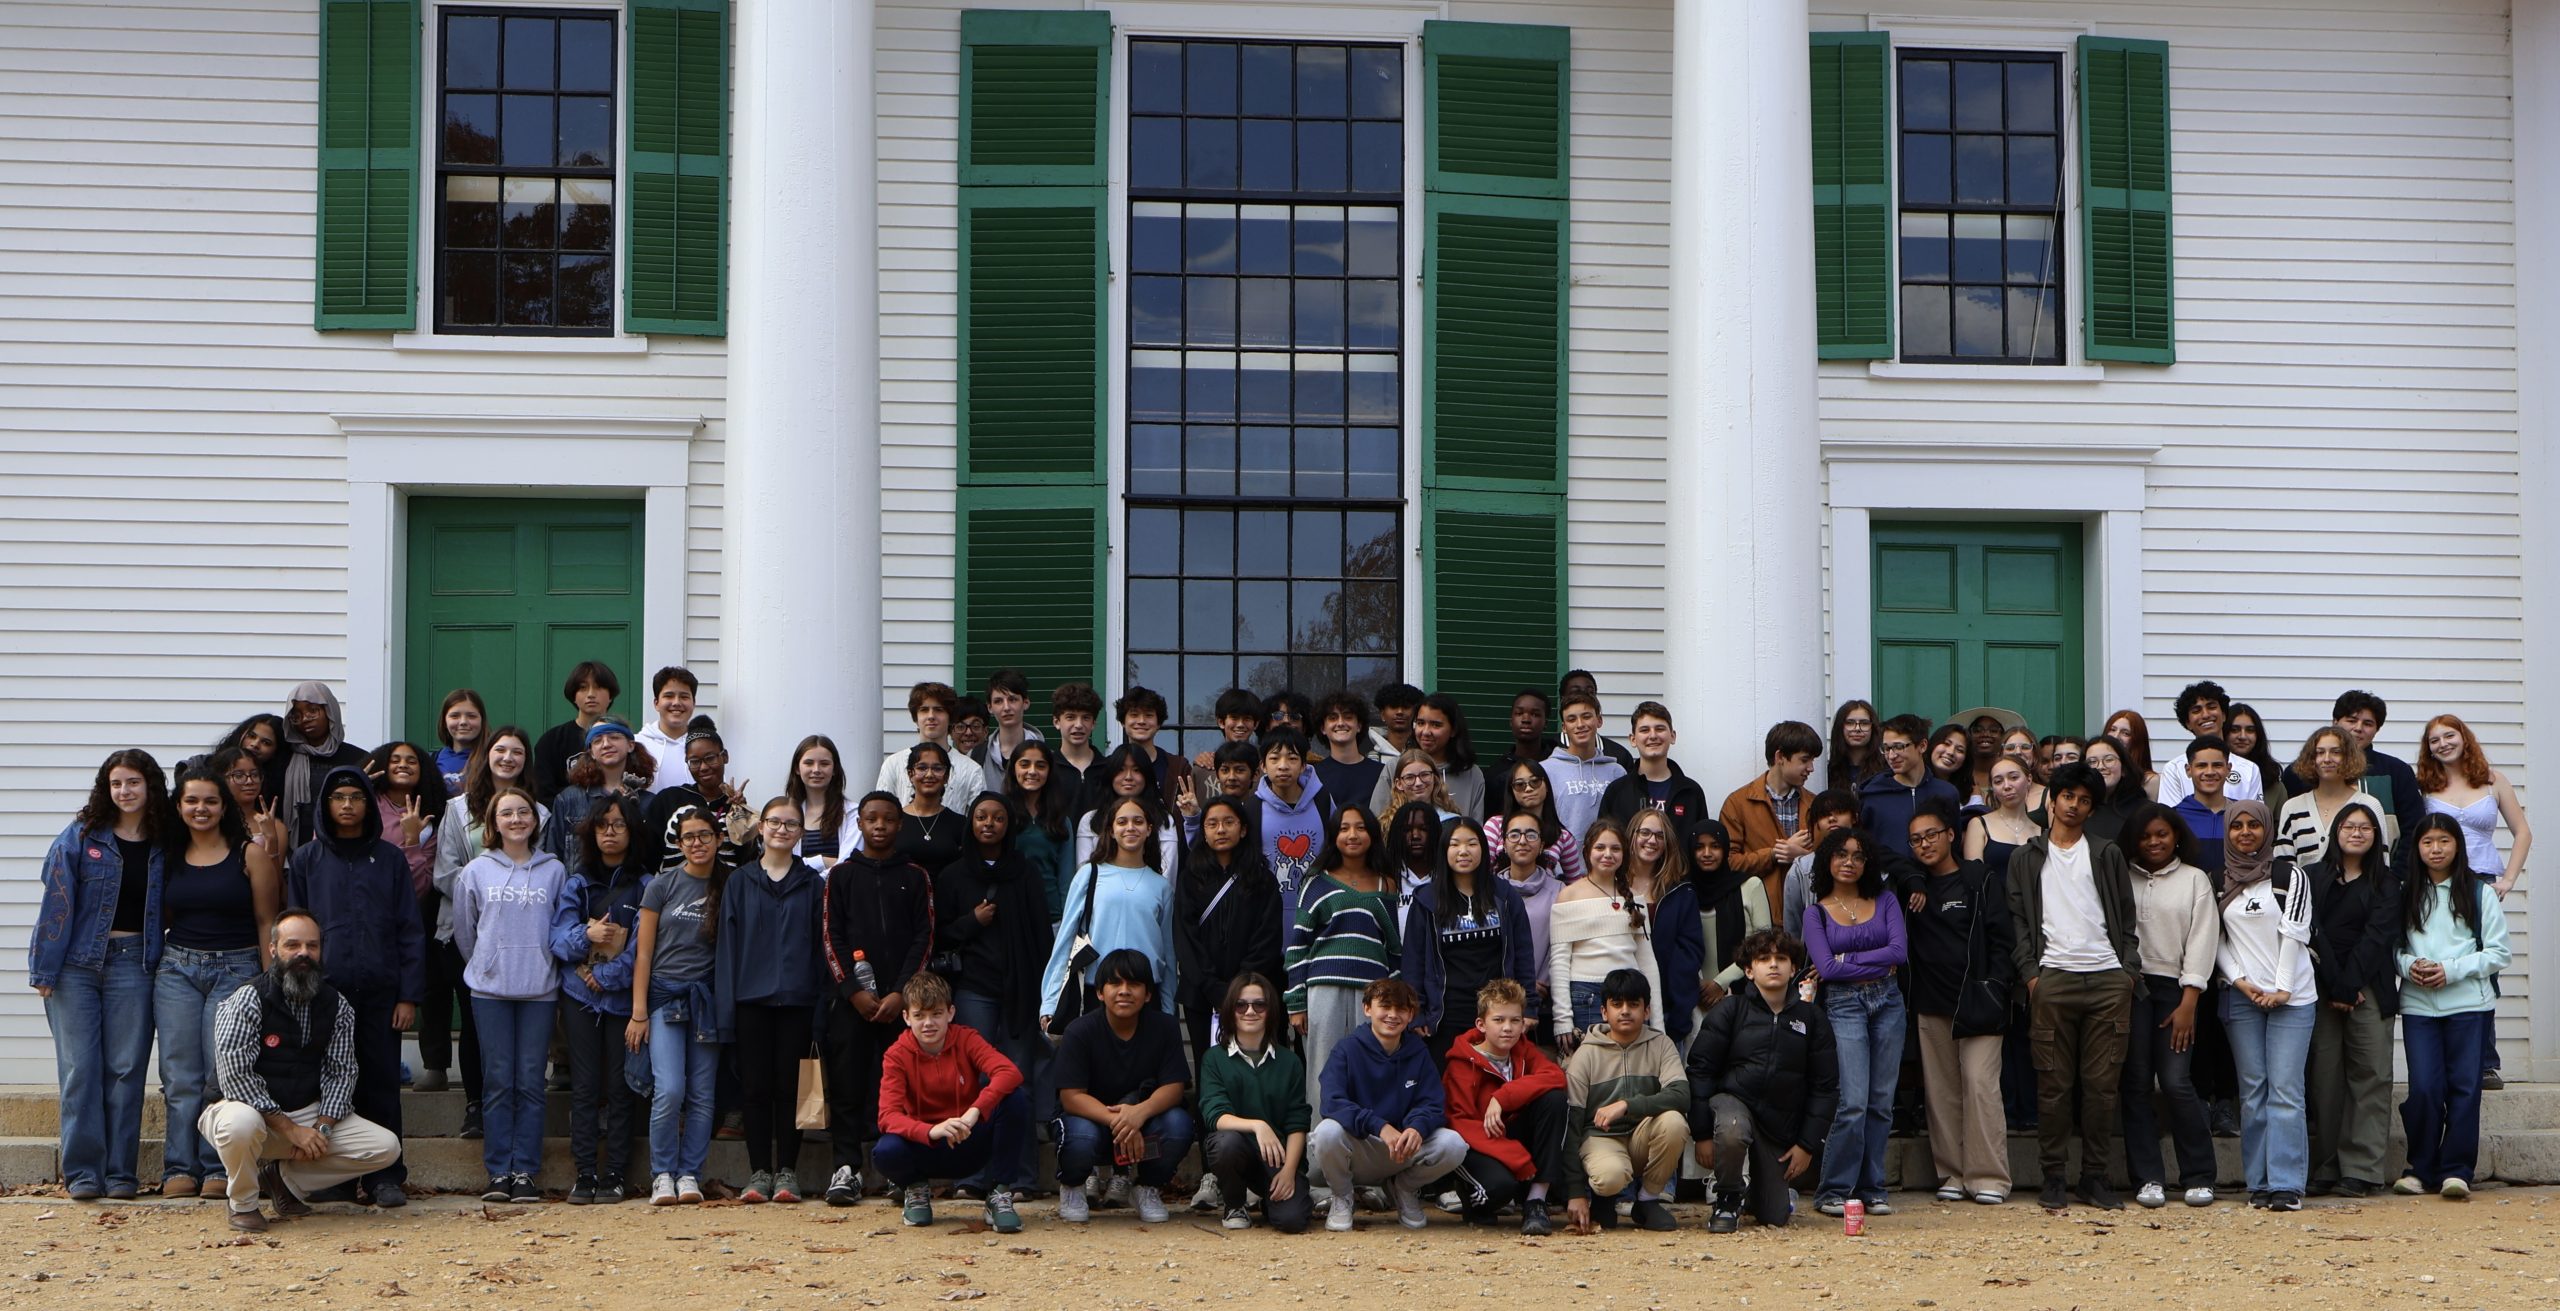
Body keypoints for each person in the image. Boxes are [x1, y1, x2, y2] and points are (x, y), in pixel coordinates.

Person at [197, 910, 404, 1232]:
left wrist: (321, 1127)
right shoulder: (246, 999)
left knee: (384, 1146)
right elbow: (236, 1077)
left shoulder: (338, 1006)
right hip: (240, 1110)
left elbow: (342, 1072)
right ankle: (243, 1204)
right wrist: (291, 1130)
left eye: (312, 945)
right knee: (241, 1123)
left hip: (304, 1114)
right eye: (292, 945)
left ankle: (283, 1181)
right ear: (273, 950)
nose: (303, 953)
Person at [33, 750, 169, 1201]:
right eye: (116, 784)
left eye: (133, 782)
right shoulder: (80, 837)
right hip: (75, 966)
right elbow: (56, 902)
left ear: (149, 786)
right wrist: (45, 969)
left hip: (135, 963)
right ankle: (84, 1172)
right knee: (79, 1070)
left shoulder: (165, 842)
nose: (124, 791)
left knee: (126, 1070)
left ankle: (120, 1173)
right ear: (105, 789)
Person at [285, 767, 423, 1207]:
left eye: (356, 797)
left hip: (381, 993)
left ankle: (385, 1177)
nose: (347, 805)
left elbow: (409, 929)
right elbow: (295, 928)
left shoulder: (390, 858)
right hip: (324, 995)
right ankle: (337, 1175)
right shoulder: (307, 859)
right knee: (331, 1086)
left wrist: (407, 994)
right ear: (326, 804)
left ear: (368, 804)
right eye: (338, 797)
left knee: (381, 1082)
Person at [2004, 762, 2138, 1211]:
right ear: (2052, 800)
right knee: (2053, 1086)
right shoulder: (2027, 856)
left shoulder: (2106, 852)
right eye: (2068, 797)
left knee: (2102, 1087)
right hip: (2052, 978)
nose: (2075, 805)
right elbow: (2018, 920)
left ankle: (2096, 1177)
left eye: (2084, 800)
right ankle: (2054, 1176)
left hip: (2106, 978)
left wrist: (2126, 971)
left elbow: (2126, 914)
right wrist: (2031, 974)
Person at [154, 764, 283, 1200]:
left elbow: (268, 921)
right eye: (191, 800)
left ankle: (216, 1167)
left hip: (237, 968)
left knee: (221, 1072)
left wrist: (269, 983)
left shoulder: (249, 853)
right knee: (178, 1073)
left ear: (223, 806)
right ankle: (178, 1167)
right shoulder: (168, 856)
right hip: (177, 970)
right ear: (179, 806)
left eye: (210, 800)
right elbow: (165, 917)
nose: (201, 808)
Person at [935, 792, 1055, 1198]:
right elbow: (940, 935)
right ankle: (971, 1175)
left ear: (1010, 825)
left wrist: (1044, 994)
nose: (989, 824)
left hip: (1021, 991)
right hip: (973, 990)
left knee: (1014, 1083)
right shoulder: (953, 875)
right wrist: (973, 921)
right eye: (982, 816)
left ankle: (1019, 1178)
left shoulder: (1024, 872)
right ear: (971, 822)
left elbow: (1041, 935)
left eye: (999, 818)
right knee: (973, 1082)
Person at [451, 785, 568, 1205]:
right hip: (491, 991)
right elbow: (466, 931)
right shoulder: (476, 871)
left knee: (532, 1082)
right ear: (493, 823)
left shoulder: (554, 870)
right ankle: (499, 1171)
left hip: (539, 990)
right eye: (507, 814)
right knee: (499, 1080)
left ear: (535, 821)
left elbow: (560, 925)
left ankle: (526, 1172)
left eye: (524, 812)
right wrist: (486, 962)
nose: (516, 819)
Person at [820, 793, 937, 1206]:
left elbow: (924, 936)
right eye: (872, 819)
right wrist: (852, 992)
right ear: (861, 823)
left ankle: (897, 1169)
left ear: (900, 825)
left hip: (900, 1005)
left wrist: (901, 993)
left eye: (889, 819)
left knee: (900, 1085)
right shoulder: (842, 876)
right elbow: (831, 938)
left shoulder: (915, 875)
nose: (880, 826)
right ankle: (847, 1167)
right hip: (853, 1003)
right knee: (848, 1082)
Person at [425, 726, 544, 1120]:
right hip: (466, 931)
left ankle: (516, 1108)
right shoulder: (457, 810)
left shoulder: (539, 812)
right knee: (476, 1024)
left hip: (524, 936)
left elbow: (544, 872)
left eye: (517, 751)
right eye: (500, 750)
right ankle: (476, 1104)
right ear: (486, 755)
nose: (508, 757)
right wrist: (486, 887)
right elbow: (444, 872)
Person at [718, 796, 829, 1204]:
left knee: (792, 1089)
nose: (782, 830)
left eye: (791, 824)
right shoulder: (740, 881)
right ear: (760, 828)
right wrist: (726, 1012)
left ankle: (788, 1172)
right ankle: (759, 1171)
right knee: (755, 1089)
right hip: (750, 1001)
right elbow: (727, 949)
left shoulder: (813, 884)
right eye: (775, 822)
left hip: (799, 1002)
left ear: (801, 832)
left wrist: (820, 1005)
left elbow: (821, 949)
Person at [2392, 814, 2508, 1201]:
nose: (2436, 849)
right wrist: (2410, 966)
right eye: (2428, 842)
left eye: (2444, 841)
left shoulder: (2479, 892)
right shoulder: (2406, 891)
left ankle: (2457, 1169)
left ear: (2457, 845)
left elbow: (2497, 952)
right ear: (2417, 848)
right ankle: (2419, 1168)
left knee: (2464, 1088)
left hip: (2469, 1005)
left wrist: (2451, 970)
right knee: (2424, 1087)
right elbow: (2393, 949)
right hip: (2419, 1005)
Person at [1688, 929, 1836, 1233]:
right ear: (1748, 970)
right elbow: (1700, 1069)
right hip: (1732, 1103)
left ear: (1793, 968)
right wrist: (1702, 1132)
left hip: (1778, 1124)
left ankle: (1754, 1197)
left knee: (1774, 1216)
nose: (1773, 965)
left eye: (1781, 958)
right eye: (1763, 958)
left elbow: (1825, 1086)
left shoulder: (1812, 1019)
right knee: (1732, 1129)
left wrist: (1807, 1144)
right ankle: (1728, 1198)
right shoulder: (1731, 1009)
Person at [1904, 800, 2013, 1206]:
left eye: (1932, 834)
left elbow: (2002, 935)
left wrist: (1997, 984)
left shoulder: (1978, 878)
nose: (1925, 844)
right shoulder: (1912, 886)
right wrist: (1911, 877)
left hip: (1979, 1000)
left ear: (1952, 834)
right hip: (1932, 1004)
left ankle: (1988, 1177)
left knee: (1981, 1087)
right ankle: (1952, 1172)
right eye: (1916, 839)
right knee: (1942, 1093)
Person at [2116, 802, 2220, 1208]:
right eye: (2145, 836)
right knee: (2137, 1083)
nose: (2154, 842)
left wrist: (2190, 999)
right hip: (2131, 989)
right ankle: (2148, 1179)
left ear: (2176, 835)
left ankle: (2199, 1175)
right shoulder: (2120, 876)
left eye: (2161, 834)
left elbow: (2203, 938)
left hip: (2177, 991)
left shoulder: (2195, 880)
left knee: (2176, 1082)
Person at [2417, 713, 2530, 1088]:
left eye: (2450, 735)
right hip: (2438, 882)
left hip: (2481, 881)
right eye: (2435, 740)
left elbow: (2523, 833)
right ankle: (2450, 1060)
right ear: (2428, 747)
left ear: (2464, 738)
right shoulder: (2425, 786)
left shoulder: (2494, 781)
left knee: (2484, 968)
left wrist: (2508, 879)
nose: (2443, 744)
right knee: (2447, 962)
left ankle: (2484, 1061)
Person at [550, 793, 651, 1204]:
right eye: (602, 825)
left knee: (621, 1086)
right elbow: (558, 940)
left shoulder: (645, 884)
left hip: (623, 1003)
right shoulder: (577, 882)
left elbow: (645, 947)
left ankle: (615, 1173)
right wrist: (586, 938)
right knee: (585, 1087)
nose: (610, 833)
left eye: (619, 825)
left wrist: (605, 976)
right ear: (591, 832)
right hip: (578, 999)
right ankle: (585, 1172)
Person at [1801, 827, 1906, 1216]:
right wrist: (1846, 964)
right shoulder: (1816, 912)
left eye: (1858, 856)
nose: (1850, 862)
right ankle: (1834, 1190)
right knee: (1853, 1103)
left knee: (1881, 1103)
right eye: (1841, 854)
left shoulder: (1887, 900)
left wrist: (1845, 962)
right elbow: (1823, 967)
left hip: (1889, 1000)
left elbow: (1900, 951)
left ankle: (1872, 1187)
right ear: (1827, 860)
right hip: (1844, 1005)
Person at [627, 806, 729, 1205]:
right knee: (669, 1089)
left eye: (705, 835)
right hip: (664, 998)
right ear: (678, 842)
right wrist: (638, 1012)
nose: (697, 843)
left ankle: (690, 1174)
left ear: (719, 839)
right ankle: (663, 1174)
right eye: (689, 837)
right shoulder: (661, 886)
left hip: (708, 1000)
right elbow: (643, 955)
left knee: (702, 1093)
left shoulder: (730, 884)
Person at [2218, 796, 2315, 1212]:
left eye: (2253, 825)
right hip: (2243, 1000)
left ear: (2267, 829)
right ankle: (2258, 1183)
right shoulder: (2217, 879)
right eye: (2236, 826)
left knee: (2286, 1090)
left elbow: (2295, 933)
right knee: (2252, 1091)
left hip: (2293, 998)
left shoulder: (2288, 875)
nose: (2245, 833)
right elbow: (2218, 940)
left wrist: (2281, 988)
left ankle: (2287, 1184)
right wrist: (2241, 983)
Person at [874, 970, 1028, 1231]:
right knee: (885, 1151)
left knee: (1014, 1097)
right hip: (926, 1146)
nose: (928, 1023)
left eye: (936, 1014)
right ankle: (916, 1190)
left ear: (950, 1013)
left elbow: (1009, 1072)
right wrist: (931, 1130)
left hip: (968, 1138)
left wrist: (975, 1111)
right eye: (919, 1015)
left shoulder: (966, 1038)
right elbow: (887, 1116)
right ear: (906, 1018)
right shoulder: (896, 1055)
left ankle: (1000, 1193)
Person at [1309, 977, 1468, 1231]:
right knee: (1326, 1132)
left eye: (1401, 1009)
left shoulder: (1418, 1052)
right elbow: (1333, 1102)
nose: (1393, 1015)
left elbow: (1432, 1102)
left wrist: (1416, 1128)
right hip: (1361, 1147)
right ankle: (1342, 1196)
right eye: (1385, 1006)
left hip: (1403, 1149)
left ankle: (1404, 1189)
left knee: (1454, 1144)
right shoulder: (1346, 1049)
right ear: (1368, 1009)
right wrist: (1380, 1126)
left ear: (1411, 1014)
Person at [1050, 949, 1197, 1223]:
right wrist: (1122, 1120)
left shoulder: (1164, 1028)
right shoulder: (1079, 1031)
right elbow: (1071, 1097)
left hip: (1143, 1127)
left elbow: (1175, 1087)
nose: (1124, 991)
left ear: (1148, 994)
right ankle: (1073, 1186)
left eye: (1134, 984)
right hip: (1091, 1124)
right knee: (1080, 1136)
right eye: (1115, 983)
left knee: (1178, 1125)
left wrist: (1139, 1113)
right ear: (1100, 992)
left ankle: (1146, 1187)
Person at [2307, 803, 2398, 1198]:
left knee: (2370, 1077)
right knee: (2325, 1079)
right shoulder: (2312, 877)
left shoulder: (2389, 882)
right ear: (2335, 831)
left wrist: (2351, 984)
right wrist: (2336, 983)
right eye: (2349, 825)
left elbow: (2379, 936)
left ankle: (2361, 1169)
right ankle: (2327, 1165)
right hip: (2322, 989)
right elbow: (2311, 930)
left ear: (2377, 836)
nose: (2357, 833)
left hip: (2370, 989)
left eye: (2365, 827)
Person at [1285, 805, 1403, 1104]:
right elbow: (1298, 946)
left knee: (1371, 1070)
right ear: (1333, 836)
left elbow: (1394, 949)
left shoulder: (1386, 883)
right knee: (1323, 1074)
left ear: (1373, 835)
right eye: (1344, 828)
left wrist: (1396, 998)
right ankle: (1319, 1149)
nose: (1353, 835)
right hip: (1324, 991)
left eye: (1361, 827)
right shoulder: (1315, 881)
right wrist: (1296, 1003)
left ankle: (1369, 1148)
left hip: (1374, 994)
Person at [1558, 969, 1689, 1232]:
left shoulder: (1661, 1045)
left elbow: (1681, 1095)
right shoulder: (1586, 1054)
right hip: (1601, 1138)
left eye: (1633, 1004)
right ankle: (1604, 1198)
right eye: (1617, 1005)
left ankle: (1648, 1201)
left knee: (1674, 1122)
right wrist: (1575, 1192)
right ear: (1604, 1012)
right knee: (1610, 1177)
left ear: (1647, 1011)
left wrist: (1628, 1105)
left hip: (1642, 1135)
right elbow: (1571, 1127)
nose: (1625, 1011)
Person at [1407, 821, 1539, 1065]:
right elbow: (1414, 961)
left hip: (1496, 1013)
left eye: (1472, 843)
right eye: (1455, 844)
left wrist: (1528, 1006)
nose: (1463, 851)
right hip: (1445, 1014)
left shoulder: (1504, 895)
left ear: (1484, 849)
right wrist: (1417, 1013)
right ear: (1443, 850)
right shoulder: (1426, 900)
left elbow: (1522, 953)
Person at [1044, 795, 1179, 1032]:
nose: (1130, 827)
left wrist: (1168, 1008)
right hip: (1097, 990)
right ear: (1111, 830)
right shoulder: (1088, 874)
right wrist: (1050, 1002)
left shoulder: (1161, 886)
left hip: (1147, 992)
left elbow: (1168, 953)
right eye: (1122, 821)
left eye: (1138, 821)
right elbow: (1065, 941)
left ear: (1149, 830)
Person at [1172, 794, 1285, 1066]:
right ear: (1204, 832)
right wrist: (1212, 986)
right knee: (1207, 1065)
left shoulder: (1262, 879)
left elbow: (1268, 937)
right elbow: (1185, 937)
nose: (1220, 829)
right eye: (1212, 824)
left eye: (1228, 822)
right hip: (1201, 994)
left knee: (1257, 1065)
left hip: (1253, 993)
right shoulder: (1190, 878)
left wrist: (1239, 987)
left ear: (1243, 829)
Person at [1198, 972, 1315, 1233]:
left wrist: (1289, 1171)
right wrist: (1258, 1125)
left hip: (1279, 1158)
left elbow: (1298, 1121)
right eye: (1241, 1005)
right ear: (1230, 1010)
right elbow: (1214, 1115)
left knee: (1292, 1221)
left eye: (1259, 1004)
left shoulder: (1289, 1062)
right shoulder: (1214, 1059)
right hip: (1238, 1151)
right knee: (1224, 1142)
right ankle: (1234, 1203)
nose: (1250, 1011)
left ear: (1270, 1010)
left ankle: (1269, 1201)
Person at [1548, 819, 1664, 1045]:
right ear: (1587, 851)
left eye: (1615, 848)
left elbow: (1647, 962)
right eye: (1600, 847)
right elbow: (1560, 961)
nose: (1607, 854)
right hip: (1587, 997)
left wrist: (1657, 1023)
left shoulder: (1634, 898)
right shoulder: (1568, 895)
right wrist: (1562, 1020)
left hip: (1632, 993)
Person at [2295, 691, 2426, 857]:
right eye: (2351, 720)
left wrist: (2395, 877)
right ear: (2335, 722)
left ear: (2377, 729)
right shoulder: (2302, 771)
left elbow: (2413, 829)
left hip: (2380, 876)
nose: (2358, 728)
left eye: (2368, 723)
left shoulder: (2397, 771)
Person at [1720, 721, 1822, 909]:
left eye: (1812, 761)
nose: (1811, 768)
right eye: (1805, 760)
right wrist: (1774, 854)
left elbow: (1835, 857)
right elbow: (1727, 863)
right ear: (1780, 757)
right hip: (1759, 915)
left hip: (1808, 914)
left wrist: (1802, 856)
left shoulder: (1816, 805)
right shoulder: (1738, 803)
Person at [1627, 809, 1705, 1048]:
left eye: (1660, 836)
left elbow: (1690, 954)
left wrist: (1680, 1007)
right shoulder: (1612, 887)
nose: (1652, 841)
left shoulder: (1681, 893)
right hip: (1621, 1006)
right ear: (1631, 836)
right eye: (1645, 833)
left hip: (1669, 1010)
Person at [1683, 818, 1771, 1031]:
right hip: (1692, 1000)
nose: (1707, 853)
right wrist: (1700, 987)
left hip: (1743, 997)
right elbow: (1677, 946)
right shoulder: (1682, 890)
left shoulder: (1750, 885)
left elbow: (1763, 945)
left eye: (1715, 846)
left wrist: (1720, 983)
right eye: (1699, 847)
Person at [646, 719, 756, 871]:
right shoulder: (669, 800)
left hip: (725, 892)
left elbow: (749, 861)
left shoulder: (735, 807)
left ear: (725, 757)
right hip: (676, 892)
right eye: (695, 761)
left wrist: (741, 814)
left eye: (710, 758)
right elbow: (648, 854)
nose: (703, 767)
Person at [542, 719, 659, 861]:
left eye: (614, 737)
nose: (606, 744)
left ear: (630, 745)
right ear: (591, 752)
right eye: (597, 740)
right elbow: (554, 856)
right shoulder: (568, 799)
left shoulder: (649, 802)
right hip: (580, 883)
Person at [1366, 693, 1486, 823]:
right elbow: (1376, 824)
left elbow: (1475, 829)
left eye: (1436, 725)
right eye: (1421, 723)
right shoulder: (1395, 767)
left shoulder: (1472, 774)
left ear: (1453, 730)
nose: (1425, 732)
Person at [364, 742, 445, 935]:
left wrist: (412, 840)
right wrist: (357, 786)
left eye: (411, 761)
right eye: (395, 760)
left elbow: (418, 889)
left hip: (398, 921)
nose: (403, 765)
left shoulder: (429, 821)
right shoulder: (364, 804)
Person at [279, 682, 371, 845]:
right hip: (296, 850)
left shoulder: (358, 758)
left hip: (346, 847)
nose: (305, 719)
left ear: (330, 711)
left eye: (312, 711)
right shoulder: (284, 758)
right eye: (296, 715)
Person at [1596, 701, 1713, 829]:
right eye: (1644, 730)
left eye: (1660, 729)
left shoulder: (1691, 792)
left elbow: (1700, 844)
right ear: (1633, 739)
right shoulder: (1617, 792)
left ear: (1672, 736)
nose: (1653, 736)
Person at [2276, 726, 2380, 868]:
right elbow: (2283, 866)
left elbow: (2380, 863)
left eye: (2336, 752)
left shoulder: (2370, 804)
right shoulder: (2292, 807)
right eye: (2319, 753)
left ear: (2349, 757)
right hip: (2302, 890)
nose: (2327, 759)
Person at [1862, 715, 1962, 861]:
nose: (1891, 755)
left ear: (1922, 746)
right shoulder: (1872, 796)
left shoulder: (1947, 793)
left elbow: (1954, 846)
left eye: (1898, 747)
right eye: (1886, 748)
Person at [874, 681, 989, 809]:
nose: (931, 716)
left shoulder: (971, 770)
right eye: (924, 710)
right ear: (915, 718)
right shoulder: (893, 764)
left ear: (950, 717)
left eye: (939, 710)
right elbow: (882, 811)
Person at [1495, 811, 1565, 1017]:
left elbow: (1560, 947)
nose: (1522, 841)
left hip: (1544, 997)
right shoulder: (1489, 891)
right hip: (1498, 998)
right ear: (1505, 844)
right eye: (1514, 835)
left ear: (1542, 844)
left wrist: (1537, 983)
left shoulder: (1560, 891)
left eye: (1531, 834)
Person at [1252, 728, 1329, 913]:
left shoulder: (1322, 801)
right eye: (1274, 758)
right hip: (1267, 916)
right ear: (1263, 765)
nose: (1283, 766)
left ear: (1303, 765)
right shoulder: (1253, 808)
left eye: (1292, 758)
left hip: (1319, 913)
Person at [1072, 746, 1183, 873]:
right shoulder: (1090, 820)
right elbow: (1084, 872)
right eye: (1120, 770)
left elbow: (1167, 877)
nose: (1128, 777)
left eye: (1136, 770)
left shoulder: (1163, 820)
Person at [2157, 681, 2265, 805]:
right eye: (2196, 710)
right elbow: (2170, 819)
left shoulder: (2249, 769)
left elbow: (2254, 818)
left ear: (2224, 715)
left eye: (2211, 707)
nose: (2206, 715)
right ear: (2187, 723)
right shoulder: (2174, 769)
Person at [1005, 741, 1078, 921]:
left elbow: (1066, 876)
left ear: (1049, 771)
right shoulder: (1001, 815)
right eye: (1024, 764)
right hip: (1010, 915)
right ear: (1013, 769)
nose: (1032, 771)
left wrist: (1066, 919)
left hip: (1052, 916)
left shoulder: (1061, 820)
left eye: (1040, 765)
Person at [1543, 690, 1626, 841]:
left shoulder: (1617, 772)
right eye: (1572, 719)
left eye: (1586, 717)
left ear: (1599, 720)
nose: (1580, 725)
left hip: (1607, 861)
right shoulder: (1546, 771)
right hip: (1560, 863)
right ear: (1564, 727)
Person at [533, 661, 620, 805]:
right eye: (583, 688)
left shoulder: (623, 740)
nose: (591, 694)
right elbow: (544, 793)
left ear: (610, 695)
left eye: (598, 687)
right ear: (573, 695)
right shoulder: (551, 741)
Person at [1778, 789, 1863, 934]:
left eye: (1840, 812)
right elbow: (1793, 929)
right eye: (1824, 815)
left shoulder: (1871, 861)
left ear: (1854, 817)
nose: (1832, 819)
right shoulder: (1801, 869)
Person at [1485, 759, 1585, 882]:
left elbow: (1574, 883)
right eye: (1520, 784)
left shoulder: (1563, 836)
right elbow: (1481, 870)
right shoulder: (1495, 825)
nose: (1528, 789)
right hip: (1499, 898)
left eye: (1535, 782)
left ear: (1547, 785)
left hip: (1546, 898)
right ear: (1512, 791)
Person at [894, 742, 969, 871]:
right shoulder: (895, 821)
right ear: (910, 774)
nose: (929, 775)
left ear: (946, 777)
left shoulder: (960, 823)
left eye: (937, 768)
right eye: (922, 768)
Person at [1962, 755, 2037, 884]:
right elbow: (1973, 880)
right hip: (1992, 902)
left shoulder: (2041, 832)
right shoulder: (1979, 825)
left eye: (2014, 777)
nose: (2006, 786)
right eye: (1998, 781)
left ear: (2029, 779)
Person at [2171, 736, 2237, 876]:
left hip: (2235, 893)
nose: (2209, 772)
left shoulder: (2242, 814)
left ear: (2228, 769)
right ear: (2188, 770)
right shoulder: (2175, 817)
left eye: (2217, 765)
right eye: (2201, 765)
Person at [1311, 691, 1385, 814]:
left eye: (1348, 717)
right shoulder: (1313, 775)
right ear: (1323, 728)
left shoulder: (1382, 773)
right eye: (1333, 718)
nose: (1340, 723)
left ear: (1359, 726)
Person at [786, 735, 851, 868]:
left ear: (835, 769)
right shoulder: (787, 814)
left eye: (824, 764)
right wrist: (824, 861)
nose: (816, 770)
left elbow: (847, 865)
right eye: (808, 763)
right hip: (796, 889)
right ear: (797, 769)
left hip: (837, 888)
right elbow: (781, 862)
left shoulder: (852, 813)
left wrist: (805, 868)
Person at [635, 667, 700, 792]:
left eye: (684, 697)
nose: (676, 702)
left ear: (694, 703)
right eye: (669, 696)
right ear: (656, 703)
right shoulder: (637, 745)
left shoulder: (704, 745)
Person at [979, 669, 1044, 789]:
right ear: (990, 707)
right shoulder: (977, 756)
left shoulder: (1046, 756)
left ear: (1025, 703)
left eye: (1012, 699)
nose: (1006, 707)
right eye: (998, 701)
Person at [2076, 736, 2148, 845]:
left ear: (2123, 768)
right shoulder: (2076, 807)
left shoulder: (2143, 810)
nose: (2100, 767)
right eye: (2092, 762)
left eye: (2109, 760)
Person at [1049, 681, 1109, 811]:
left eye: (1086, 718)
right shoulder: (1048, 769)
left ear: (1093, 723)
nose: (1078, 725)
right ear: (1056, 722)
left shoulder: (1109, 769)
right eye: (1070, 717)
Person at [2223, 704, 2289, 817]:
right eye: (2234, 729)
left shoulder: (2274, 786)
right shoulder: (2211, 776)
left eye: (2250, 730)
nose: (2242, 736)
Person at [2101, 708, 2164, 801]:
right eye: (2112, 730)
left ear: (2137, 740)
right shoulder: (2097, 770)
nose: (2116, 736)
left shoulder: (2149, 780)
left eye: (2125, 733)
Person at [434, 690, 487, 794]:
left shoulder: (492, 758)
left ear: (482, 720)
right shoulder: (433, 760)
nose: (463, 722)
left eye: (471, 716)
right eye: (455, 716)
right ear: (444, 721)